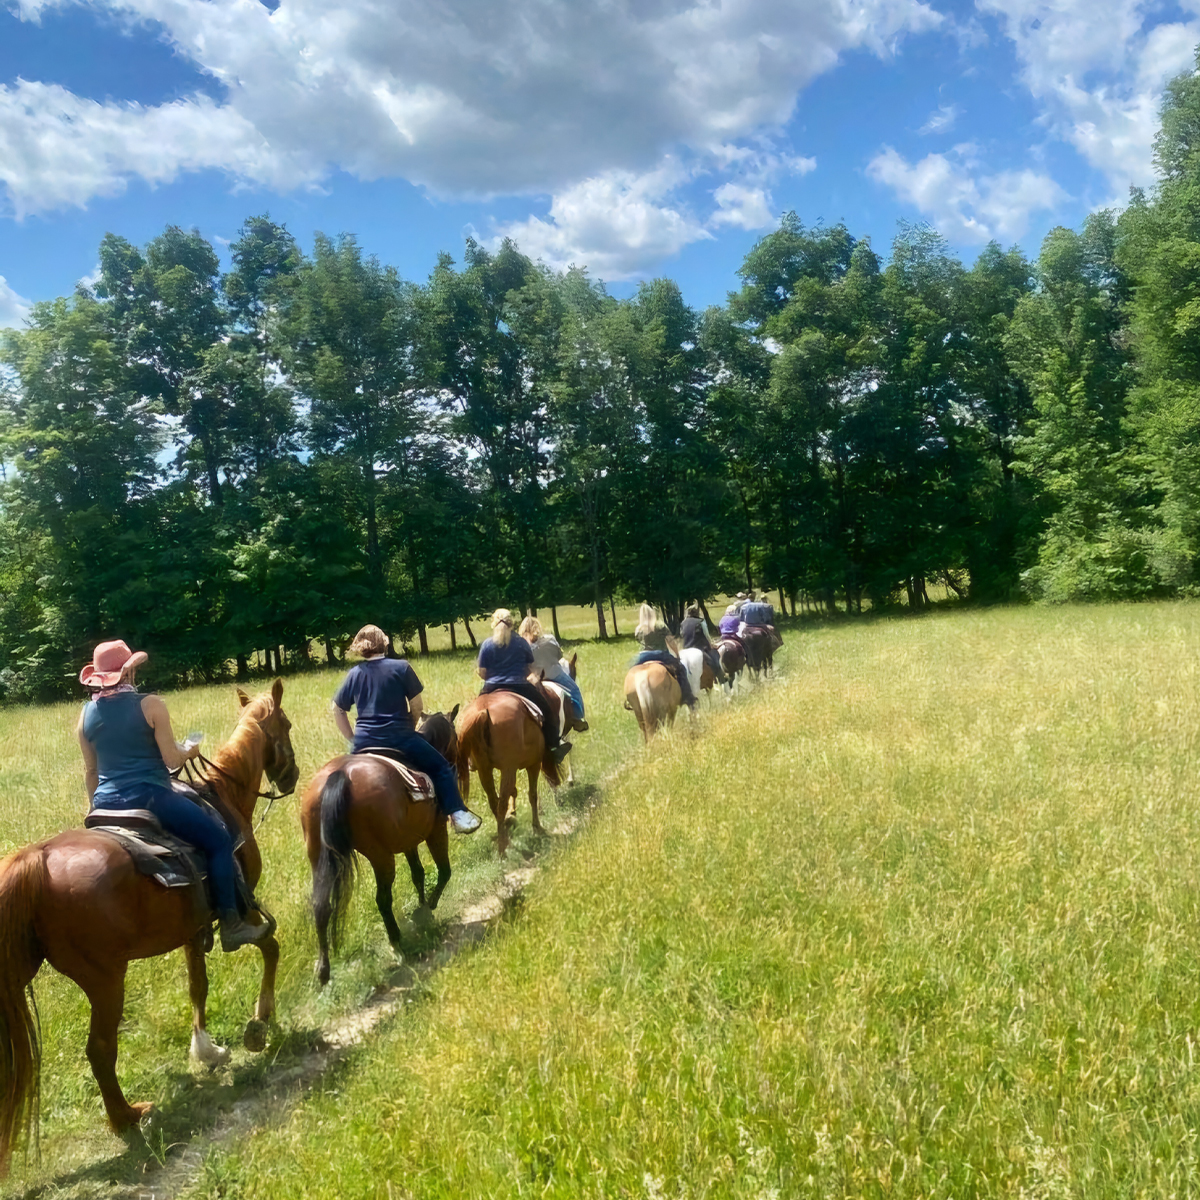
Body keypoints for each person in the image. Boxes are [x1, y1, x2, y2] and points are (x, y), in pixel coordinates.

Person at [77, 639, 268, 952]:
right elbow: (171, 761)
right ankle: (232, 924)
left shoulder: (85, 715)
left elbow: (91, 772)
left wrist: (94, 808)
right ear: (128, 673)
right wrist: (189, 750)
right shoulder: (150, 705)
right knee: (219, 838)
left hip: (105, 804)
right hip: (151, 798)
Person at [332, 625, 481, 834]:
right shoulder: (401, 667)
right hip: (399, 738)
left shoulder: (354, 674)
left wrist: (352, 738)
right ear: (385, 643)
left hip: (364, 743)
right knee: (441, 767)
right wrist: (409, 728)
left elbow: (337, 709)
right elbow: (417, 706)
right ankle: (457, 814)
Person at [477, 610, 571, 763]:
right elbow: (529, 667)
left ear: (494, 623)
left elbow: (482, 673)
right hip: (519, 686)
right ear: (511, 623)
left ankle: (470, 756)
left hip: (491, 687)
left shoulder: (487, 644)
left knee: (472, 712)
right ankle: (555, 745)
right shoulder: (521, 643)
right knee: (546, 709)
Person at [518, 616, 588, 732]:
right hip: (555, 675)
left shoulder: (522, 647)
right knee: (574, 691)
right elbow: (558, 656)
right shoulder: (550, 639)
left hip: (535, 680)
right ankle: (578, 718)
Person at [631, 603, 697, 709]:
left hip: (643, 656)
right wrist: (677, 654)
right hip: (660, 654)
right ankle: (687, 697)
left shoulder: (638, 629)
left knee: (632, 672)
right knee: (681, 670)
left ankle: (632, 700)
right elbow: (670, 641)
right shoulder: (660, 625)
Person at [679, 603, 726, 685]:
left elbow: (682, 635)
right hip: (699, 647)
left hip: (686, 648)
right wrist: (711, 644)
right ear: (697, 612)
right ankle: (721, 677)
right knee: (715, 658)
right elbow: (706, 635)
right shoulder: (701, 621)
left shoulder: (683, 623)